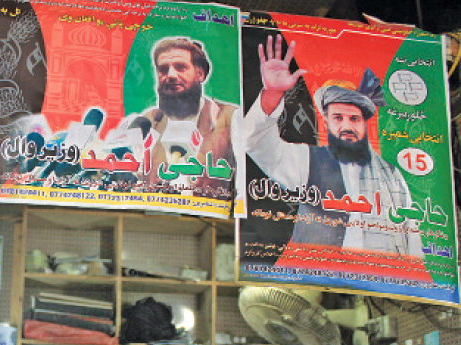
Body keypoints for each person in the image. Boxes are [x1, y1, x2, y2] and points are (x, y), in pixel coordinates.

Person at [245, 34, 423, 257]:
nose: (347, 126)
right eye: (338, 118)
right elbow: (254, 141)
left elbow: (412, 237)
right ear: (326, 121)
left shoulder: (392, 175)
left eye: (354, 119)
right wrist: (272, 94)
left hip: (379, 279)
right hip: (318, 280)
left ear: (365, 123)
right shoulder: (308, 159)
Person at [142, 37, 241, 197]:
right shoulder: (151, 122)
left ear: (200, 74)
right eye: (163, 70)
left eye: (180, 67)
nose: (171, 75)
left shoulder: (229, 118)